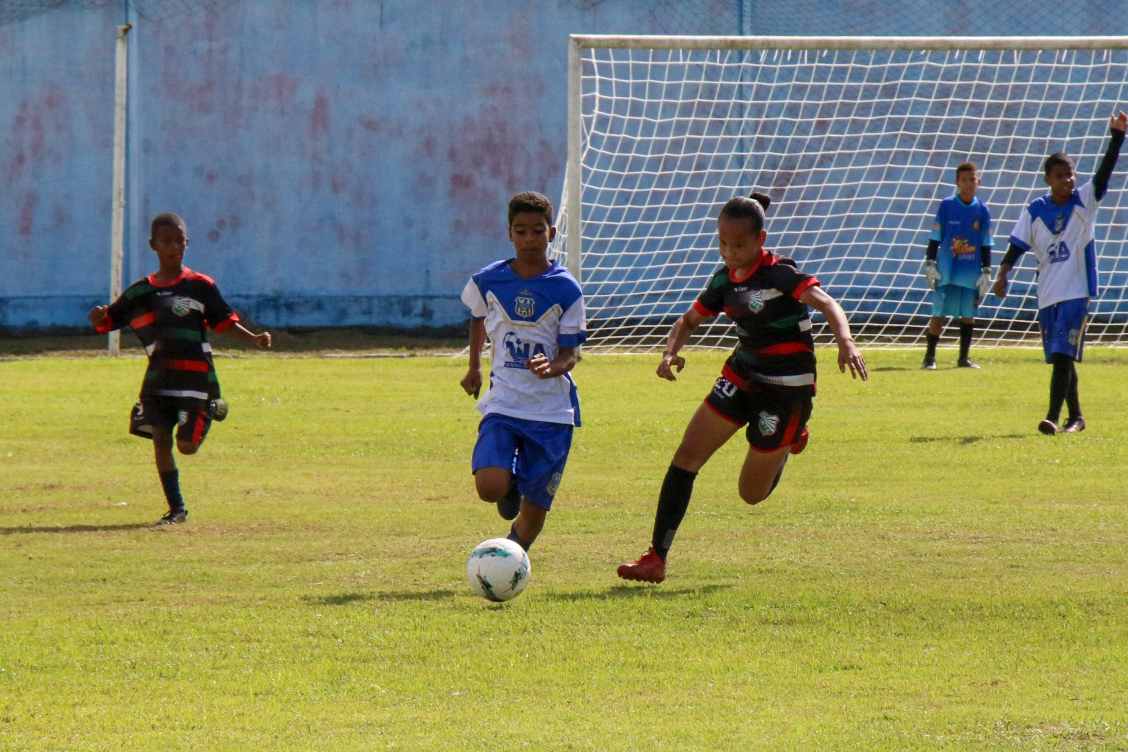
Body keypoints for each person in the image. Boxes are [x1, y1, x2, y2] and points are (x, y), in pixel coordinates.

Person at [617, 193, 867, 584]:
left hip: (787, 389)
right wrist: (669, 353)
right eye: (722, 243)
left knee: (750, 494)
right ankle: (656, 558)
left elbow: (827, 303)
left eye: (738, 245)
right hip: (742, 376)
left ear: (760, 240)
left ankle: (792, 436)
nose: (729, 253)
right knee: (686, 457)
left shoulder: (778, 274)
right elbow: (687, 321)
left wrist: (845, 341)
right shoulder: (722, 282)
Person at [89, 212, 272, 524]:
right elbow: (109, 320)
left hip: (195, 379)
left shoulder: (200, 286)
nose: (174, 246)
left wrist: (253, 338)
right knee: (160, 438)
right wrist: (98, 318)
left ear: (187, 243)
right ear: (153, 245)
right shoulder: (140, 293)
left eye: (179, 241)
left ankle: (211, 408)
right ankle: (177, 510)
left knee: (185, 446)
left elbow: (224, 321)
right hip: (159, 379)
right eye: (166, 241)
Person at [459, 191, 587, 551]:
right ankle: (509, 486)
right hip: (504, 403)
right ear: (509, 233)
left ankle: (511, 560)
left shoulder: (566, 289)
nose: (529, 239)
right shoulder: (489, 281)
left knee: (535, 511)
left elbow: (570, 355)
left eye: (537, 231)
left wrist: (553, 366)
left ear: (552, 231)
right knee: (489, 488)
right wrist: (474, 367)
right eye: (521, 231)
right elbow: (478, 317)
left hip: (551, 412)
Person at [994, 112, 1127, 435]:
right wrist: (1003, 273)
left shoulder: (1084, 201)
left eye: (1070, 175)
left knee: (1063, 355)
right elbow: (1017, 245)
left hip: (1076, 292)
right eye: (1060, 176)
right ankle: (1077, 417)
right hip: (1048, 294)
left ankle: (1052, 418)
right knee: (1060, 358)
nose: (1068, 180)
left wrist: (1117, 137)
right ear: (1048, 180)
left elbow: (1103, 174)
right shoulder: (1035, 210)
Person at [922, 161, 994, 369]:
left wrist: (987, 270)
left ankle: (963, 358)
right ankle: (930, 358)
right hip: (946, 271)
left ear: (978, 181)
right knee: (939, 314)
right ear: (957, 183)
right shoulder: (947, 205)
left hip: (970, 272)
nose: (969, 183)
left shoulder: (982, 210)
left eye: (972, 179)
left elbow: (986, 242)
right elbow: (935, 236)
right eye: (964, 180)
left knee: (968, 315)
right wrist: (930, 263)